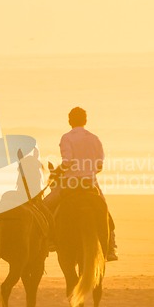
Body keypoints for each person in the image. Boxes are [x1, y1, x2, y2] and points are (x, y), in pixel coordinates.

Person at [46, 107, 118, 261]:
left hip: (70, 184)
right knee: (105, 211)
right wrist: (88, 171)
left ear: (70, 121)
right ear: (85, 121)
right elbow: (99, 166)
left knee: (46, 207)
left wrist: (58, 172)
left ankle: (49, 240)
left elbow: (68, 161)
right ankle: (111, 246)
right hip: (90, 184)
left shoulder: (67, 138)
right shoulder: (94, 139)